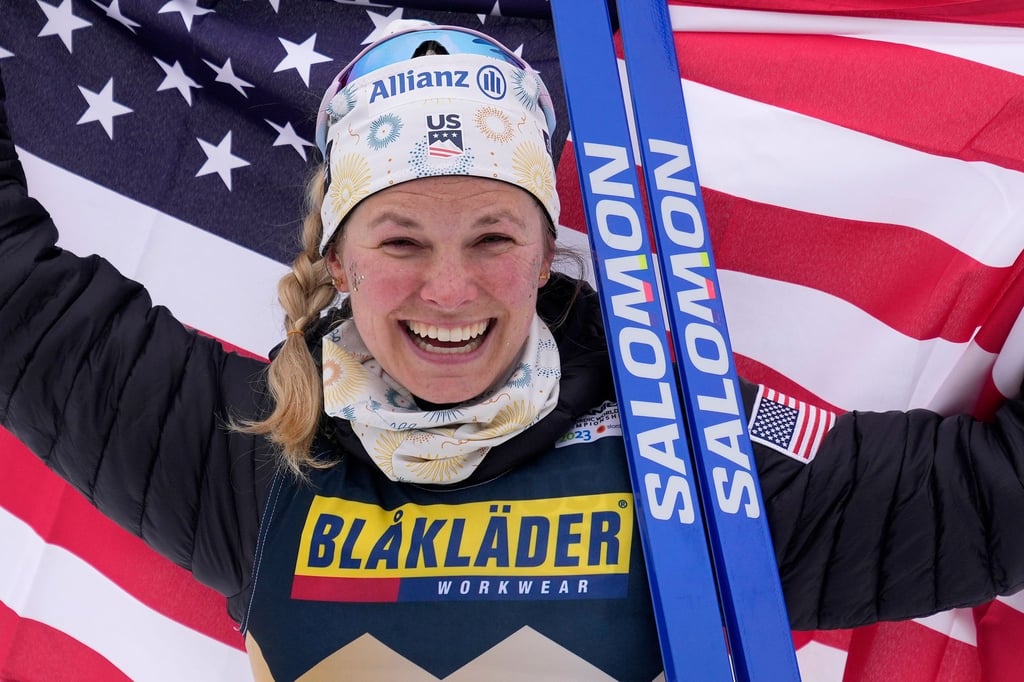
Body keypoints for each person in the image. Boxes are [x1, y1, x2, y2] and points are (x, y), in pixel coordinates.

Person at [2, 20, 1023, 681]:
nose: (450, 289)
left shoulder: (689, 468)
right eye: (400, 240)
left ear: (543, 249)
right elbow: (17, 306)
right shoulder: (258, 459)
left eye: (492, 235)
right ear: (339, 257)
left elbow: (997, 501)